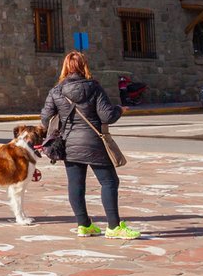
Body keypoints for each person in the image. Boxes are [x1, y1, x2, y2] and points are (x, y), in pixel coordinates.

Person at [40, 50, 138, 240]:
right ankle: (114, 226)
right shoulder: (94, 87)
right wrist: (119, 109)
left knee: (76, 185)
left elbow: (45, 119)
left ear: (65, 67)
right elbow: (107, 115)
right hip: (94, 143)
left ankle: (84, 225)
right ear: (84, 66)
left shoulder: (56, 91)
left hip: (68, 144)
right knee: (109, 182)